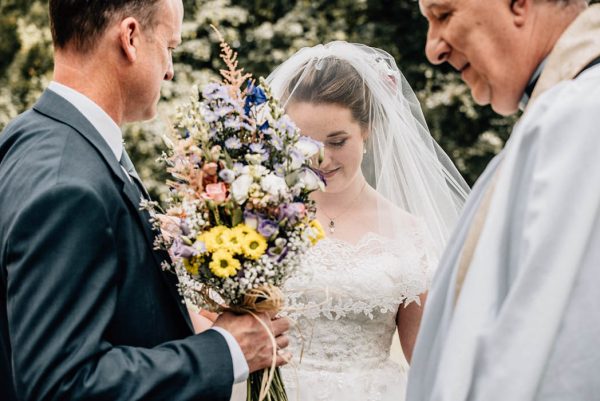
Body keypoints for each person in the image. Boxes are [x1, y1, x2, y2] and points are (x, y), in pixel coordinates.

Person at [0, 1, 290, 400]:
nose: (170, 70)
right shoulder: (69, 183)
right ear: (131, 37)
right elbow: (61, 384)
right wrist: (225, 351)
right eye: (169, 46)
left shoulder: (33, 137)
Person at [407, 1, 600, 400]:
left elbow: (567, 357)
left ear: (519, 5)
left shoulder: (581, 119)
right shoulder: (559, 116)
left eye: (444, 15)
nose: (433, 49)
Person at [264, 41, 469, 401]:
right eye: (304, 142)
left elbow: (426, 359)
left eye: (337, 141)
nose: (322, 159)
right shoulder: (259, 221)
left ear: (366, 130)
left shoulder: (407, 232)